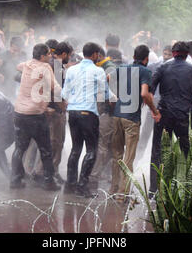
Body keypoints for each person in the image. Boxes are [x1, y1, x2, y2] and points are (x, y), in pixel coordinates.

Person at [149, 41, 192, 196]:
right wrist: (190, 93)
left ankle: (153, 190)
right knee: (185, 152)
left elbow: (150, 89)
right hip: (183, 116)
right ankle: (184, 188)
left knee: (158, 151)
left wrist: (154, 111)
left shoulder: (162, 67)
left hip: (164, 114)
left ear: (173, 52)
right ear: (187, 54)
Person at [62, 42, 116, 198]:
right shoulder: (98, 71)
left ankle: (70, 184)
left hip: (72, 113)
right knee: (92, 150)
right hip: (88, 114)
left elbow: (65, 94)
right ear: (94, 55)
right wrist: (114, 99)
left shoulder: (71, 70)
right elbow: (105, 94)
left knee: (76, 148)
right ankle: (82, 186)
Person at [111, 45, 160, 202]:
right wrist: (154, 110)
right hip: (131, 118)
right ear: (146, 59)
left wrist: (116, 97)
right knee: (129, 157)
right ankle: (122, 194)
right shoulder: (145, 71)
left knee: (117, 154)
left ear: (133, 55)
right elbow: (144, 93)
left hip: (117, 115)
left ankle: (113, 189)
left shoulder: (122, 68)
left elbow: (108, 79)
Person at [10, 43, 62, 191]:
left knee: (19, 148)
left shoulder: (26, 64)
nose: (51, 56)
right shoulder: (46, 68)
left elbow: (18, 66)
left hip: (20, 112)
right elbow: (55, 88)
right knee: (45, 149)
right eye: (48, 54)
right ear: (42, 56)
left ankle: (15, 180)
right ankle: (49, 182)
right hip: (36, 115)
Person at [31, 41, 72, 185]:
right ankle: (44, 172)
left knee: (52, 143)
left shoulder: (49, 65)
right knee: (55, 143)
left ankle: (48, 172)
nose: (70, 58)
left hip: (47, 109)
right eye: (69, 55)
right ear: (64, 54)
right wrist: (62, 107)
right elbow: (56, 91)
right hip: (55, 110)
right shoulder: (57, 66)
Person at [89, 47, 118, 188]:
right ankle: (100, 174)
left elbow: (108, 93)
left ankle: (94, 175)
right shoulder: (105, 67)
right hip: (109, 113)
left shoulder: (109, 68)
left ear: (98, 55)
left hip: (108, 113)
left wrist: (103, 110)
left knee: (103, 145)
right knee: (108, 146)